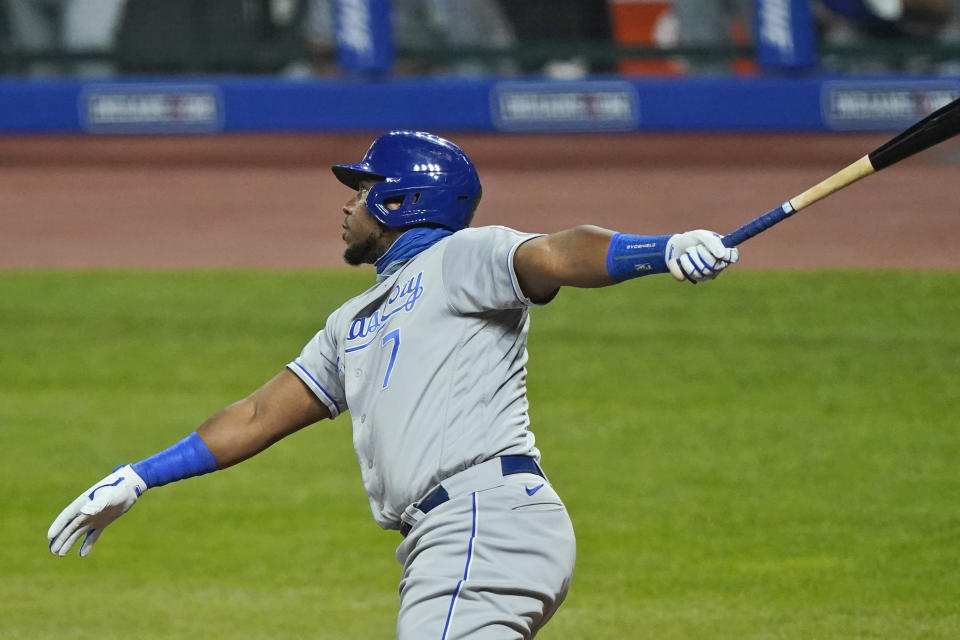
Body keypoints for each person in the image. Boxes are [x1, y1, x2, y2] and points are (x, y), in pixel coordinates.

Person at [47, 131, 739, 639]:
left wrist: (663, 249)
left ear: (402, 200)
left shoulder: (459, 259)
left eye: (362, 189)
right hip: (449, 539)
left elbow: (557, 252)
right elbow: (258, 413)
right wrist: (138, 477)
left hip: (483, 522)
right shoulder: (351, 322)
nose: (348, 204)